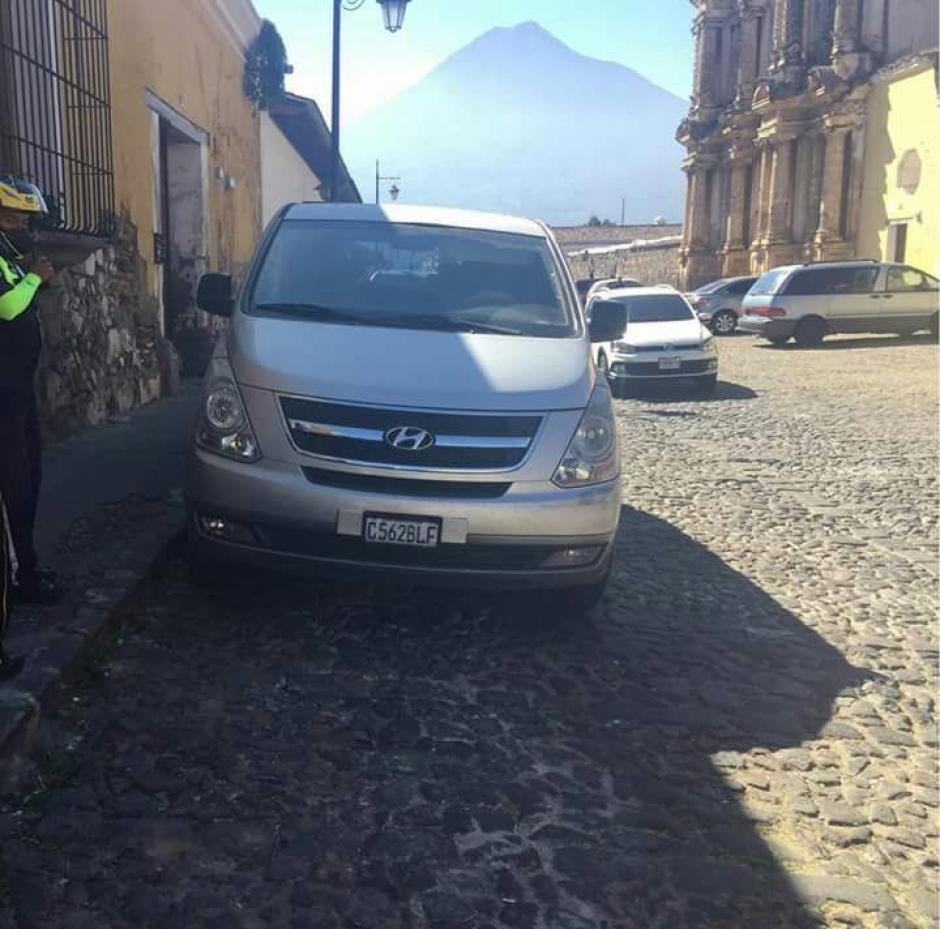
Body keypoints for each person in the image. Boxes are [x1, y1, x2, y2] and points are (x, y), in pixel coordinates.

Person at [0, 175, 62, 606]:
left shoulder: (13, 255)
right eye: (12, 215)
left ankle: (28, 564)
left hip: (18, 389)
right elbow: (6, 307)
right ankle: (21, 576)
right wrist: (35, 279)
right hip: (2, 393)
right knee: (14, 488)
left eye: (25, 216)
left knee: (30, 479)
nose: (21, 223)